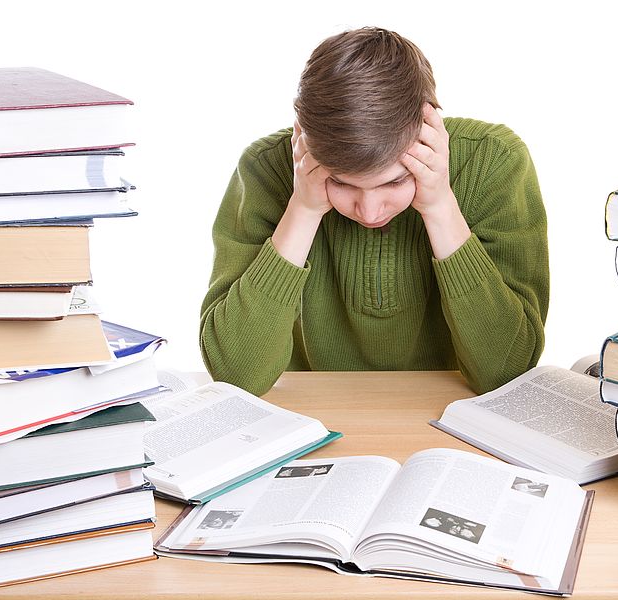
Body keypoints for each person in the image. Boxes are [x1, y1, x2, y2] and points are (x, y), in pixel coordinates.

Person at [200, 27, 549, 396]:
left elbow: (507, 374)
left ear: (428, 126)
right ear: (303, 138)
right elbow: (236, 377)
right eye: (342, 183)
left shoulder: (494, 160)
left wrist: (440, 207)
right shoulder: (264, 168)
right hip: (307, 418)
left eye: (395, 182)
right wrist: (303, 209)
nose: (368, 211)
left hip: (453, 425)